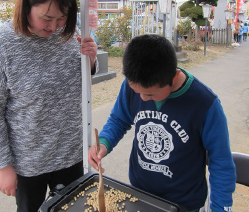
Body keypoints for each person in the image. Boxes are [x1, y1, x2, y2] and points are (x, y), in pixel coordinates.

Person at [88, 34, 236, 212]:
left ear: (174, 77)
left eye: (150, 95)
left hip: (184, 203)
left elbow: (221, 163)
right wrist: (103, 143)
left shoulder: (205, 104)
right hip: (140, 194)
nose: (143, 98)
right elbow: (119, 120)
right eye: (137, 91)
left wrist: (220, 208)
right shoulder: (132, 85)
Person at [0, 0, 98, 211]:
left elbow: (79, 82)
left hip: (71, 153)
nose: (54, 26)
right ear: (26, 7)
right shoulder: (0, 45)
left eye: (62, 17)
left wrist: (91, 61)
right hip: (28, 163)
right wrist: (3, 166)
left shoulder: (70, 34)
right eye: (47, 18)